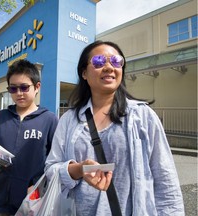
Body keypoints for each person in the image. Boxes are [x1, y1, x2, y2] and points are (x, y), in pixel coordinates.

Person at [45, 40, 184, 215]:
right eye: (98, 62)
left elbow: (165, 179)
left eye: (116, 61)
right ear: (84, 73)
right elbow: (51, 169)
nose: (109, 67)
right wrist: (78, 169)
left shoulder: (142, 116)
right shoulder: (68, 120)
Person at [0, 59, 59, 216]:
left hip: (33, 205)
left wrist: (42, 185)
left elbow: (57, 161)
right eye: (13, 88)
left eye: (24, 87)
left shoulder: (49, 120)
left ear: (37, 87)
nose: (19, 93)